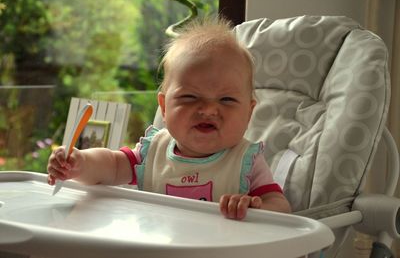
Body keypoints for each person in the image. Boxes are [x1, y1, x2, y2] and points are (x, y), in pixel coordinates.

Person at [47, 17, 291, 220]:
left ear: (248, 112)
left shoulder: (246, 161)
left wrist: (255, 207)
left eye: (226, 100)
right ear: (164, 107)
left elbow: (281, 206)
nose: (207, 109)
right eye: (189, 97)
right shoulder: (153, 152)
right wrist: (78, 164)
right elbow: (110, 165)